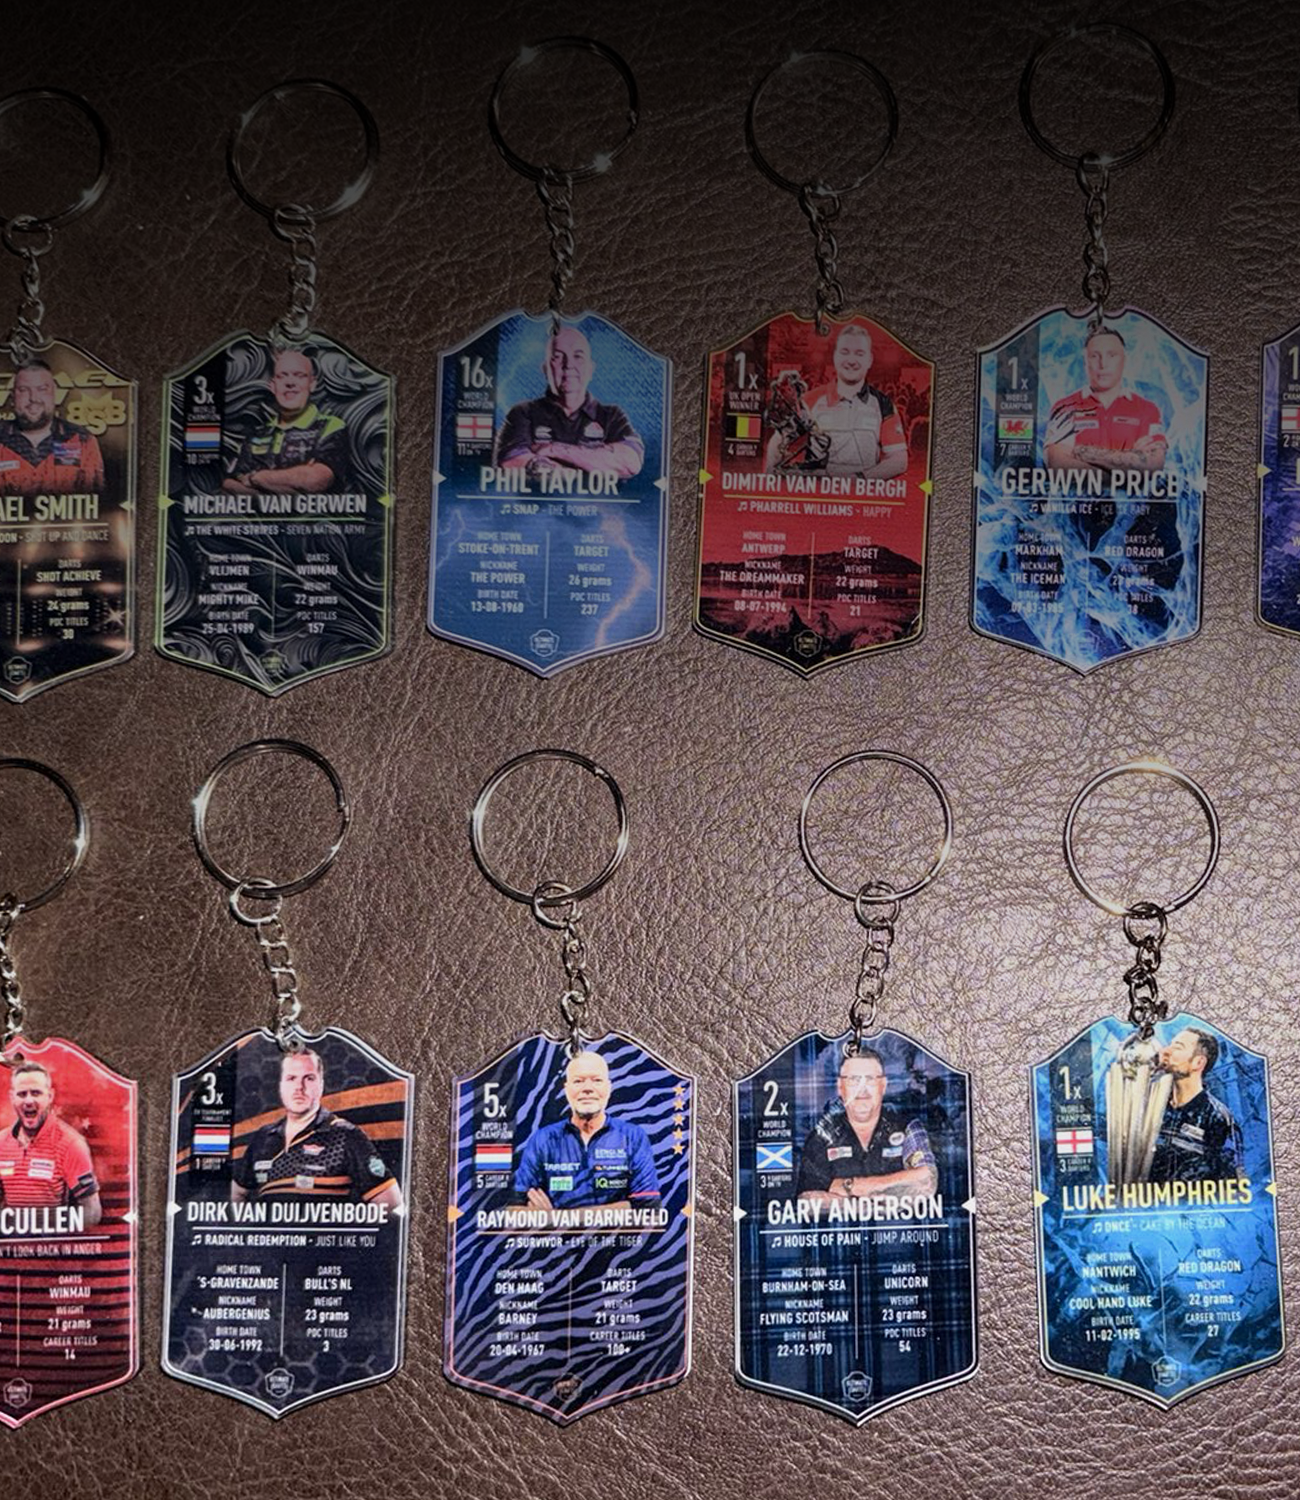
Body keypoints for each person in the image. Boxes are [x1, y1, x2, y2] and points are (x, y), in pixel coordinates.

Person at [232, 1048, 403, 1208]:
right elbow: (237, 1193)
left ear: (321, 1085)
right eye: (291, 1078)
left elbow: (392, 1203)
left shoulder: (345, 1135)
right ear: (281, 1085)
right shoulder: (263, 1136)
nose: (299, 1087)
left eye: (309, 1078)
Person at [511, 1050, 660, 1213]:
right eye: (578, 1081)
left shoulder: (633, 1137)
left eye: (597, 1080)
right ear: (566, 1089)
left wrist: (555, 1217)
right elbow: (514, 1210)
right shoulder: (542, 1139)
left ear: (608, 1088)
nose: (587, 1088)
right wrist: (623, 1207)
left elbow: (649, 1210)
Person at [493, 325, 644, 479]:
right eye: (557, 357)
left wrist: (554, 450)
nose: (568, 365)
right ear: (545, 369)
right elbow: (510, 461)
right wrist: (592, 463)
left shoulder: (612, 416)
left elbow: (630, 463)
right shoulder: (523, 413)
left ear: (590, 369)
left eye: (578, 356)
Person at [764, 323, 908, 479]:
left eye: (859, 353)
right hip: (818, 492)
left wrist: (860, 479)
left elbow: (899, 460)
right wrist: (769, 476)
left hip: (861, 493)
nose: (851, 360)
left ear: (869, 360)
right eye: (845, 352)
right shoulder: (810, 400)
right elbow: (779, 439)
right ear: (835, 357)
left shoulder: (884, 405)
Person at [796, 1049, 937, 1203]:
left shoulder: (908, 1127)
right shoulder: (822, 1136)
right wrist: (876, 1205)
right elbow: (807, 1200)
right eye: (854, 1080)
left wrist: (851, 1186)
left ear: (883, 1085)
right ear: (840, 1087)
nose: (862, 1089)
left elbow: (926, 1182)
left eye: (870, 1079)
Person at [223, 348, 350, 495]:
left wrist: (257, 478)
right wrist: (290, 482)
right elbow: (229, 483)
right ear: (273, 386)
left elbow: (316, 480)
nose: (290, 383)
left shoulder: (331, 426)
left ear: (312, 384)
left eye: (299, 376)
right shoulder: (257, 434)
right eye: (282, 376)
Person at [1044, 326, 1167, 472]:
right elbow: (1058, 465)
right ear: (1085, 362)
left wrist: (1083, 452)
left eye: (1112, 355)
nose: (1103, 364)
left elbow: (1153, 465)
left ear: (1124, 360)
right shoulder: (1066, 407)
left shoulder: (1147, 409)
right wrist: (1129, 463)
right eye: (1094, 356)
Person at [0, 1060, 102, 1226]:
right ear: (12, 1097)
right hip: (12, 1242)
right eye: (22, 1094)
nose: (28, 1101)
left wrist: (48, 1227)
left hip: (51, 1241)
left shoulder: (71, 1144)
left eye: (36, 1093)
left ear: (50, 1096)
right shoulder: (1, 1143)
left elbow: (92, 1212)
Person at [1148, 1026, 1241, 1183]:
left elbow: (1231, 1183)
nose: (1166, 1051)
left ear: (1198, 1062)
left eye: (1177, 1047)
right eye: (1170, 1045)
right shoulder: (1154, 1107)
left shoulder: (1218, 1118)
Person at [0, 361, 104, 499]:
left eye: (42, 389)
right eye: (23, 390)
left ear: (55, 394)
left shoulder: (82, 440)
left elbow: (97, 503)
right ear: (12, 397)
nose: (34, 398)